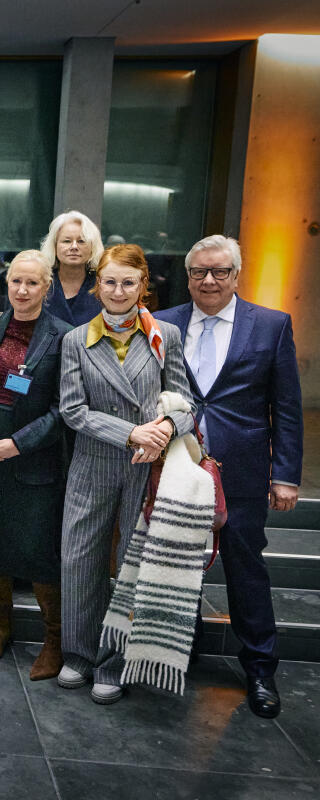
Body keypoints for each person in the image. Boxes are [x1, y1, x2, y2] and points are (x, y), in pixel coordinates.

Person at [154, 235, 303, 718]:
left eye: (220, 272)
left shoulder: (272, 325)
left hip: (241, 472)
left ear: (237, 275)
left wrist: (285, 474)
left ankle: (260, 669)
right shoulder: (163, 323)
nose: (209, 281)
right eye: (199, 272)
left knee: (245, 570)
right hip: (178, 466)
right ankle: (181, 654)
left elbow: (286, 407)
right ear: (189, 276)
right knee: (179, 562)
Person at [57, 243, 194, 705]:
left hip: (146, 472)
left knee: (130, 568)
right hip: (92, 466)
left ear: (143, 287)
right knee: (80, 562)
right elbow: (73, 411)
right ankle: (77, 655)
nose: (118, 291)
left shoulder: (165, 337)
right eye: (110, 282)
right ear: (97, 286)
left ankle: (113, 663)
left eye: (128, 282)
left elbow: (187, 403)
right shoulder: (76, 341)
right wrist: (134, 431)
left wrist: (167, 426)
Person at [0, 249, 73, 680]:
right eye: (15, 281)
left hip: (35, 458)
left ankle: (54, 642)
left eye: (32, 283)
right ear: (5, 284)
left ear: (47, 288)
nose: (23, 290)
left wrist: (18, 443)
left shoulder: (65, 336)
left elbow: (63, 409)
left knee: (40, 552)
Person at [40, 211, 105, 327]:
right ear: (54, 246)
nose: (74, 247)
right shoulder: (40, 282)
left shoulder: (104, 285)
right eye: (67, 241)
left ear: (92, 247)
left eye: (81, 241)